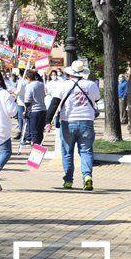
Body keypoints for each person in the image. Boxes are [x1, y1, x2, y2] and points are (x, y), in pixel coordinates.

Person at [46, 60, 100, 191]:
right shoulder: (91, 85)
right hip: (87, 121)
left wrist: (47, 122)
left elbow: (54, 104)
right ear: (83, 72)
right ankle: (87, 176)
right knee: (86, 151)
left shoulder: (63, 85)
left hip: (68, 121)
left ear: (70, 72)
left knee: (67, 152)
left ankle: (68, 180)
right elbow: (96, 100)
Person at [24, 69, 47, 145]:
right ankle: (40, 145)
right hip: (43, 109)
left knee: (34, 131)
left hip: (34, 110)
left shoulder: (29, 86)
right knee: (40, 130)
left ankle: (36, 147)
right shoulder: (41, 84)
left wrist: (26, 110)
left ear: (28, 78)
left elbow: (27, 100)